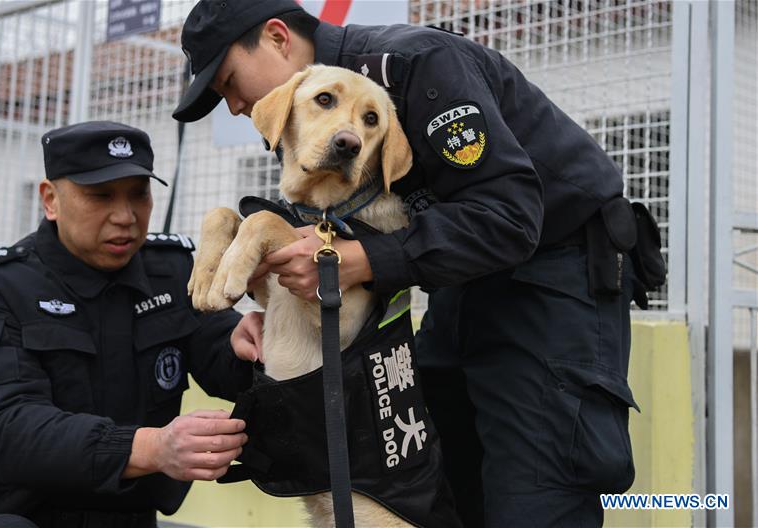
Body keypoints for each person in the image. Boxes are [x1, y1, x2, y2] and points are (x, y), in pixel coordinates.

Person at [173, 1, 662, 526]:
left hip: (555, 276)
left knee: (538, 494)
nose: (234, 106)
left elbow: (511, 217)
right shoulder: (310, 116)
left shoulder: (418, 65)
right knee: (439, 489)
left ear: (276, 38)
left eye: (228, 83)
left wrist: (361, 259)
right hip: (456, 280)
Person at [0, 121, 264, 528]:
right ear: (50, 200)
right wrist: (152, 447)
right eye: (99, 196)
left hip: (129, 516)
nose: (125, 216)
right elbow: (7, 428)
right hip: (17, 514)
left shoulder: (170, 271)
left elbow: (219, 348)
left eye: (139, 194)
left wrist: (249, 343)